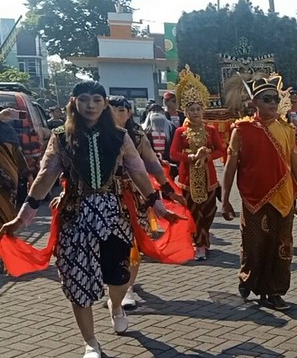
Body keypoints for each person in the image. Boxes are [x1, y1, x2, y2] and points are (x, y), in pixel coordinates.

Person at [0, 80, 182, 358]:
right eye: (84, 99)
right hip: (75, 216)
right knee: (77, 282)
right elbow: (45, 176)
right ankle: (91, 343)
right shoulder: (60, 137)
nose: (91, 105)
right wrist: (22, 219)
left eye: (97, 99)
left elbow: (138, 171)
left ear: (105, 104)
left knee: (120, 275)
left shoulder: (120, 136)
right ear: (74, 103)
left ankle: (116, 304)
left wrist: (159, 207)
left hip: (114, 215)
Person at [221, 74, 297, 311]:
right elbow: (230, 166)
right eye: (267, 99)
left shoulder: (287, 130)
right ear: (255, 102)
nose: (272, 103)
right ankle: (248, 279)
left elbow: (295, 164)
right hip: (253, 198)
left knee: (282, 246)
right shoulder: (242, 129)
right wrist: (225, 199)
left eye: (275, 99)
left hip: (284, 197)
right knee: (254, 245)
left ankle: (275, 291)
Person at [107, 95, 187, 308]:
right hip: (102, 198)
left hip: (134, 195)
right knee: (107, 244)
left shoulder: (135, 134)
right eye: (111, 110)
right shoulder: (92, 135)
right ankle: (115, 284)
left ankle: (128, 287)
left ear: (129, 113)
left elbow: (152, 163)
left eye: (121, 110)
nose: (116, 114)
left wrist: (169, 190)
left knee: (133, 242)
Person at [169, 66, 225, 261]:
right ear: (186, 111)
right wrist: (191, 157)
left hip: (209, 178)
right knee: (193, 213)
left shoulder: (211, 130)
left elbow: (222, 150)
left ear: (203, 110)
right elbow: (173, 153)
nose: (195, 113)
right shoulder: (179, 132)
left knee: (209, 212)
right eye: (191, 110)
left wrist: (207, 154)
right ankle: (198, 243)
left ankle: (204, 236)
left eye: (198, 109)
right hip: (188, 178)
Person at [0, 108, 29, 224]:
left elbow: (18, 156)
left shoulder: (7, 130)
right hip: (9, 180)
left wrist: (29, 176)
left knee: (5, 215)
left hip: (7, 182)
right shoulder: (8, 131)